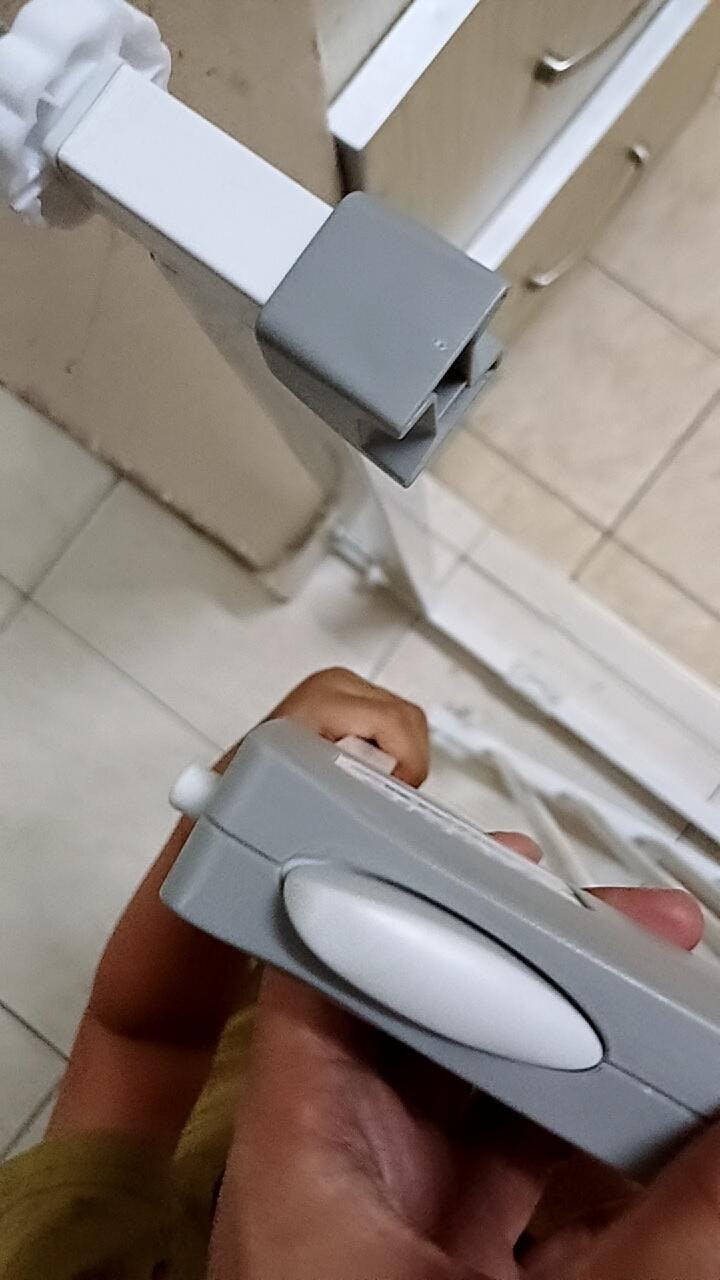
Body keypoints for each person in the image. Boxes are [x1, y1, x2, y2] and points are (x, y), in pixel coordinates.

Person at [0, 667, 713, 1279]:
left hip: (321, 973)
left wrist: (248, 799)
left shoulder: (65, 1259)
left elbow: (141, 1038)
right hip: (577, 1142)